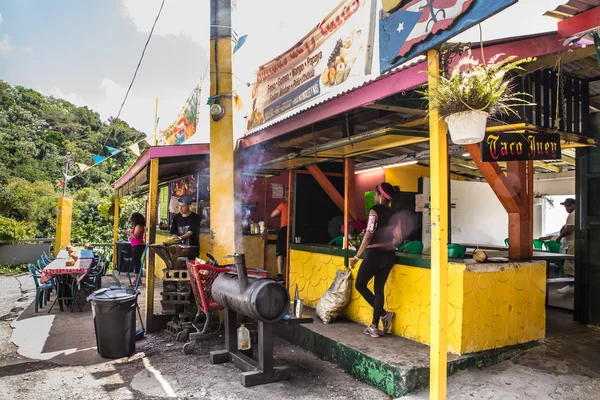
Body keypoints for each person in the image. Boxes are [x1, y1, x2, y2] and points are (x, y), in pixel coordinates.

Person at [349, 182, 402, 338]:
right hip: (389, 255)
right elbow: (398, 239)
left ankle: (384, 315)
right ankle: (374, 327)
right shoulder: (395, 214)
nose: (373, 197)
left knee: (360, 284)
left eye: (374, 194)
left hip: (374, 254)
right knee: (379, 289)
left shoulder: (374, 211)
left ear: (380, 196)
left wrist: (357, 256)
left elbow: (369, 234)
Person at [556, 198, 576, 294]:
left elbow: (570, 228)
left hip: (572, 243)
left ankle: (571, 285)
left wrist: (560, 236)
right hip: (574, 242)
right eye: (565, 206)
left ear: (574, 205)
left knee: (569, 264)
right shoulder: (577, 214)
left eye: (568, 206)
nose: (566, 208)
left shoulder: (573, 214)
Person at [270, 188, 289, 283]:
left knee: (280, 252)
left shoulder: (283, 205)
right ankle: (289, 274)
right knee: (289, 252)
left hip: (284, 229)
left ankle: (280, 274)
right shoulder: (297, 206)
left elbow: (272, 214)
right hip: (295, 230)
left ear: (286, 197)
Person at [122, 212, 146, 284]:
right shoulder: (137, 226)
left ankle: (137, 279)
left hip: (138, 245)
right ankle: (138, 279)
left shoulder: (139, 226)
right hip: (135, 245)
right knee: (136, 262)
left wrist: (128, 232)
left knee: (136, 262)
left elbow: (135, 236)